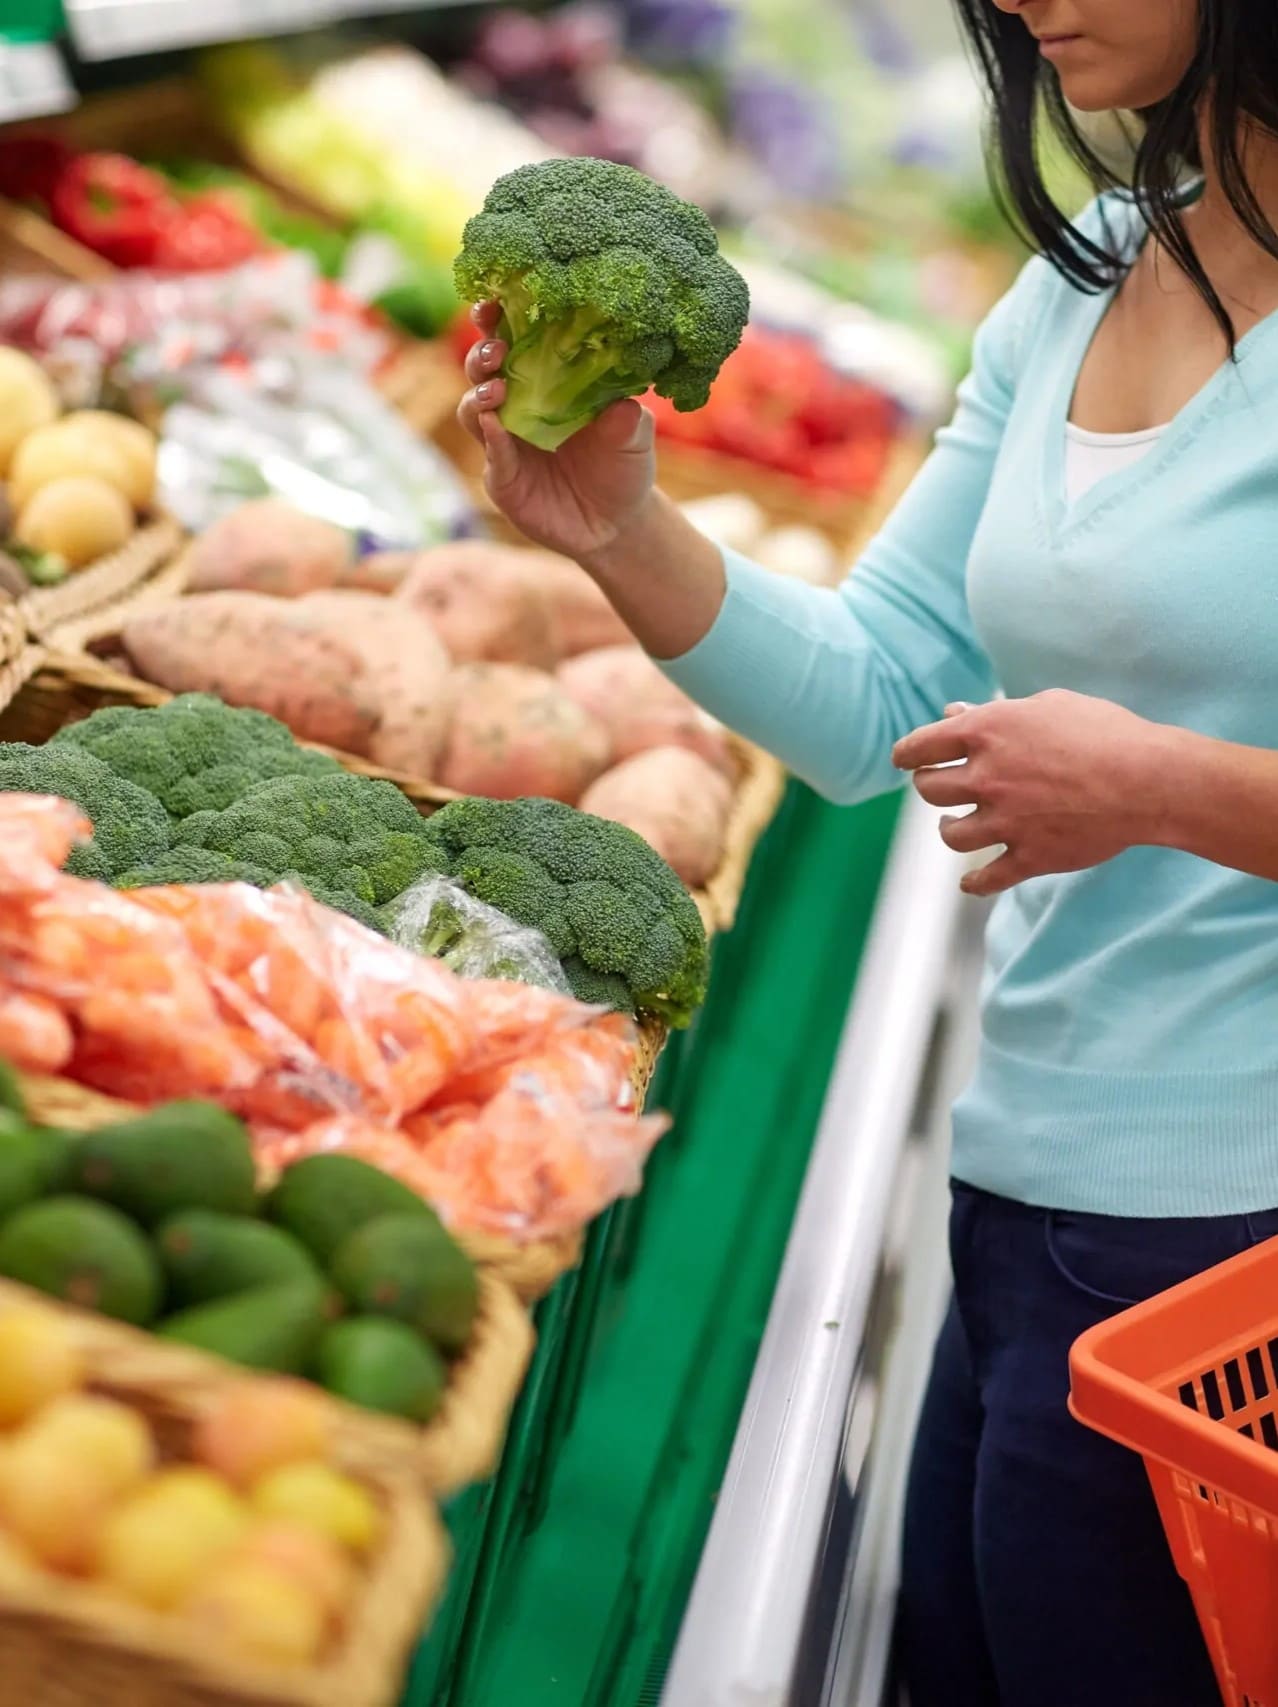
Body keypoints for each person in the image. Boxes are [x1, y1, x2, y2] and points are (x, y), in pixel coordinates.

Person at [459, 2, 1278, 1700]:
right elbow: (876, 696)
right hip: (1032, 1190)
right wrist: (618, 526)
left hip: (1237, 1268)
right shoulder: (1087, 276)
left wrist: (1162, 786)